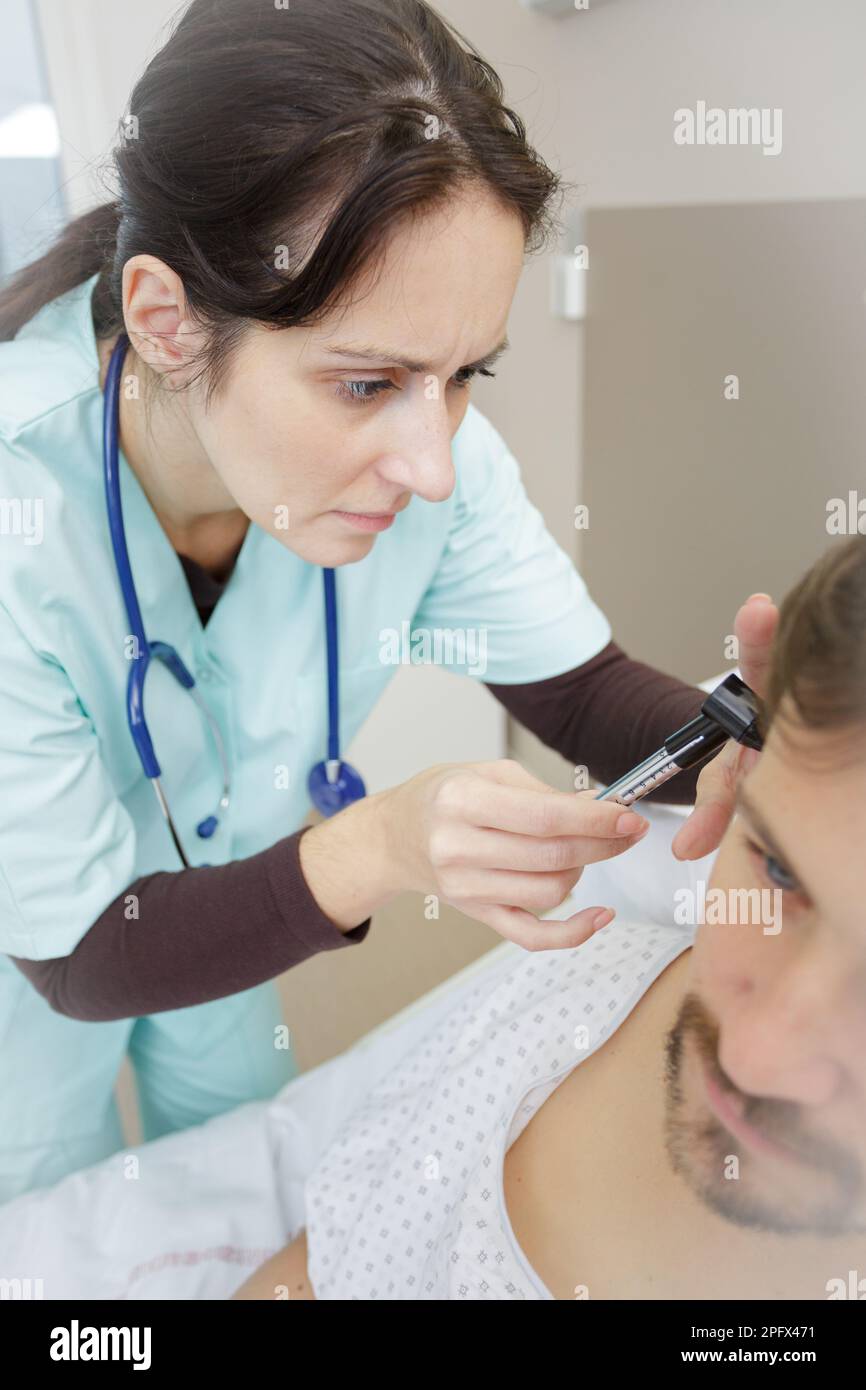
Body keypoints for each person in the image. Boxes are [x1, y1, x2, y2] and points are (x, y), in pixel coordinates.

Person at [0, 0, 774, 1203]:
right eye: (366, 383)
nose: (434, 464)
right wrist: (375, 849)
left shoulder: (430, 464)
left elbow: (584, 696)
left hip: (225, 918)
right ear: (166, 321)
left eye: (465, 375)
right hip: (34, 974)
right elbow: (88, 950)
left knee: (229, 1185)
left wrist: (776, 736)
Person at [233, 536, 866, 1299]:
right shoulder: (585, 989)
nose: (752, 1056)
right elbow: (321, 1267)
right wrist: (376, 844)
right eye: (780, 869)